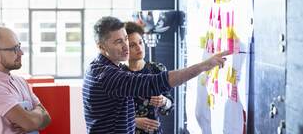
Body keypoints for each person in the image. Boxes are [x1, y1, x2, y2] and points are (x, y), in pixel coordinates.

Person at [83, 16, 229, 134]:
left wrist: (164, 101)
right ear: (101, 47)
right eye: (118, 42)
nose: (126, 46)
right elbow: (156, 82)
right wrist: (204, 65)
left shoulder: (100, 68)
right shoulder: (107, 75)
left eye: (126, 39)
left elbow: (167, 102)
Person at [0, 27, 51, 134]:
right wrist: (36, 116)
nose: (21, 53)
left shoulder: (21, 82)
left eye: (19, 47)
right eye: (14, 49)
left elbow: (47, 118)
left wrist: (34, 119)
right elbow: (29, 122)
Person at [122, 22, 174, 134]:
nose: (139, 47)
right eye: (132, 45)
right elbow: (110, 113)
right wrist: (133, 121)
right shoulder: (118, 73)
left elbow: (170, 106)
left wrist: (164, 101)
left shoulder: (157, 69)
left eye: (140, 42)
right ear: (124, 48)